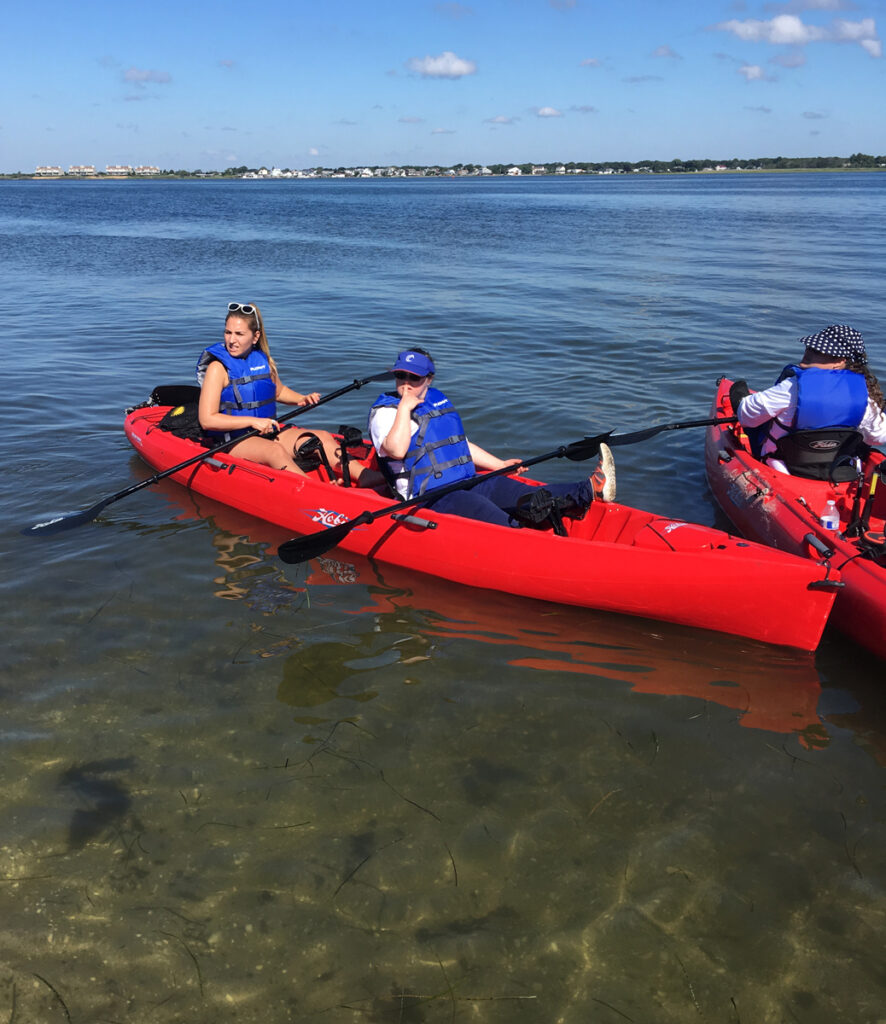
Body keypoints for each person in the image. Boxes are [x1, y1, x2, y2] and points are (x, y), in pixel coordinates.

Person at [367, 347, 615, 528]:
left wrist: (499, 466)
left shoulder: (434, 402)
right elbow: (397, 451)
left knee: (524, 497)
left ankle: (591, 488)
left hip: (467, 480)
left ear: (429, 380)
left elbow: (457, 447)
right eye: (401, 376)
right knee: (495, 517)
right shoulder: (386, 412)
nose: (406, 384)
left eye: (415, 378)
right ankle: (527, 544)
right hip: (431, 497)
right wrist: (404, 408)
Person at [197, 302, 382, 484]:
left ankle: (366, 476)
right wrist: (252, 421)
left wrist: (301, 399)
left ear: (255, 337)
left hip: (267, 432)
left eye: (239, 334)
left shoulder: (262, 360)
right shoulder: (218, 368)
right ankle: (319, 492)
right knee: (274, 451)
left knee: (321, 438)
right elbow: (207, 419)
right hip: (233, 440)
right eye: (228, 332)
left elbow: (278, 391)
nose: (231, 340)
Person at [732, 324, 886, 477]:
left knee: (741, 402)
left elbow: (747, 417)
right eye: (810, 346)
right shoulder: (863, 394)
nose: (808, 351)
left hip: (783, 469)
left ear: (840, 360)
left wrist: (739, 399)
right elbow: (879, 437)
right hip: (837, 470)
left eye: (818, 350)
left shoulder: (792, 387)